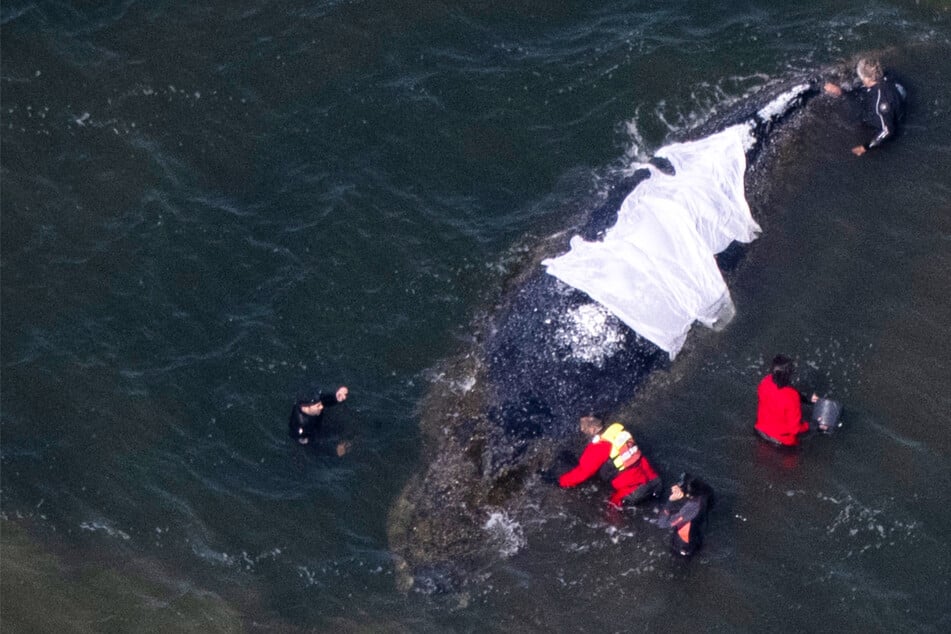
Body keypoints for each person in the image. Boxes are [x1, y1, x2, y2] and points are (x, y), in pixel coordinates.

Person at [558, 415, 662, 508]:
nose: (581, 429)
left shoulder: (599, 447)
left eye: (584, 427)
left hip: (635, 490)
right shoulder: (619, 431)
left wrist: (560, 482)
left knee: (611, 507)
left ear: (593, 429)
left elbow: (582, 473)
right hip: (655, 480)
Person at [823, 56, 906, 156]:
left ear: (866, 78)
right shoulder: (886, 77)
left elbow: (887, 131)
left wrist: (866, 147)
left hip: (886, 115)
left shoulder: (879, 104)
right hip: (894, 96)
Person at [755, 355, 818, 447]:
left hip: (759, 431)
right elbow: (795, 429)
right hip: (780, 441)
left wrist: (806, 399)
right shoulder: (792, 397)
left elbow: (778, 396)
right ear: (789, 374)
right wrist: (812, 425)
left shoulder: (765, 381)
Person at [657, 473, 714, 557]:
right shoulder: (705, 492)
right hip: (697, 531)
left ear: (688, 494)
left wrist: (670, 501)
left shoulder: (689, 510)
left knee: (677, 557)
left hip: (684, 543)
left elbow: (662, 523)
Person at [288, 385, 350, 455]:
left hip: (317, 425)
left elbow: (324, 401)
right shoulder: (301, 426)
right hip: (310, 436)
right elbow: (311, 445)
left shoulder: (313, 405)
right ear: (308, 407)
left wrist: (337, 398)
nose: (321, 407)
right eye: (318, 406)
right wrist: (335, 450)